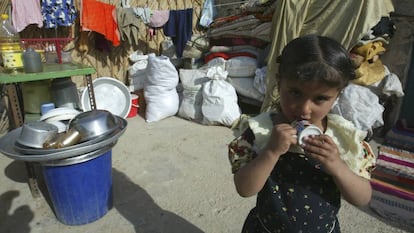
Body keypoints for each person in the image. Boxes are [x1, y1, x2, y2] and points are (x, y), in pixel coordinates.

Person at [228, 35, 376, 233]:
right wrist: (271, 152)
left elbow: (363, 197)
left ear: (337, 95)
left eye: (320, 98)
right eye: (295, 93)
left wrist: (338, 166)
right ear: (279, 83)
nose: (304, 109)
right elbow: (244, 189)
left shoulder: (345, 138)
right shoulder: (260, 130)